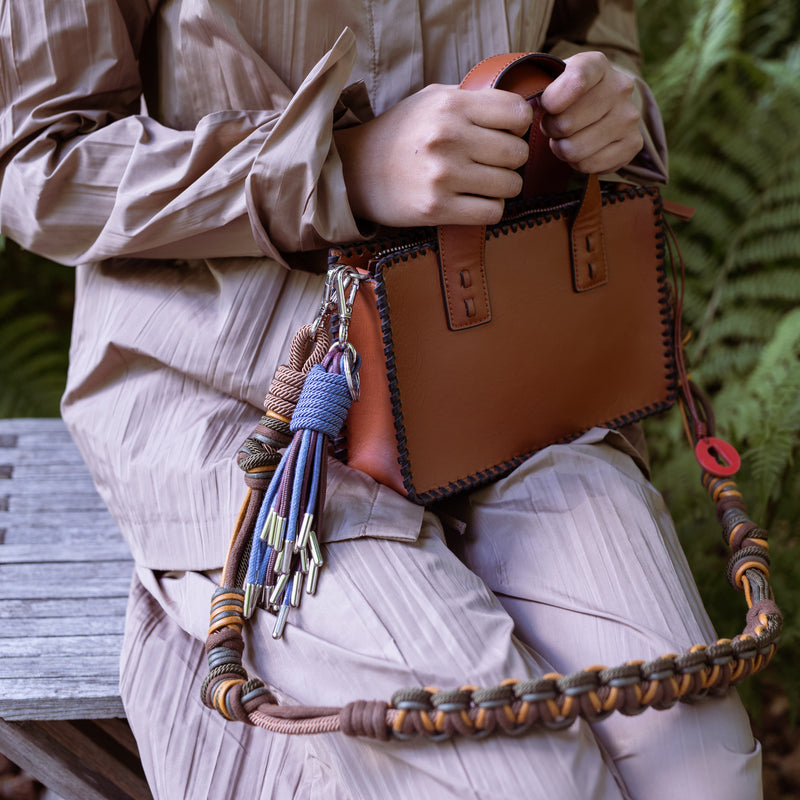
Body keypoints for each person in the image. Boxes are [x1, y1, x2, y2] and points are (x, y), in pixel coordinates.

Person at [0, 1, 762, 797]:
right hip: (250, 410)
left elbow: (589, 38)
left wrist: (607, 108)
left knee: (703, 767)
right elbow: (38, 164)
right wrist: (339, 166)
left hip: (508, 377)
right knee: (526, 778)